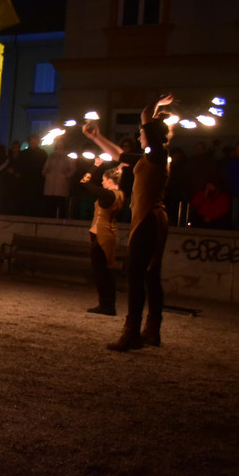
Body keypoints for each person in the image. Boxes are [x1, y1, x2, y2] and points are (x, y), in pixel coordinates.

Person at [83, 94, 174, 351]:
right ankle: (152, 330)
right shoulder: (149, 157)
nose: (139, 135)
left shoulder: (158, 154)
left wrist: (156, 103)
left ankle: (132, 332)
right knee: (151, 275)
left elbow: (146, 116)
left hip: (148, 219)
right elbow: (119, 154)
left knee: (135, 274)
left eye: (142, 133)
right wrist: (96, 137)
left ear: (151, 136)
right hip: (154, 219)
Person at [79, 162, 125, 316]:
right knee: (107, 270)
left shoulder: (107, 195)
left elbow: (84, 182)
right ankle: (109, 304)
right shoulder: (120, 194)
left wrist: (95, 165)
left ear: (110, 181)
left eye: (104, 180)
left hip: (100, 234)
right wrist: (119, 169)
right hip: (110, 233)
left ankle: (105, 305)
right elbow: (116, 180)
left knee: (101, 272)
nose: (102, 182)